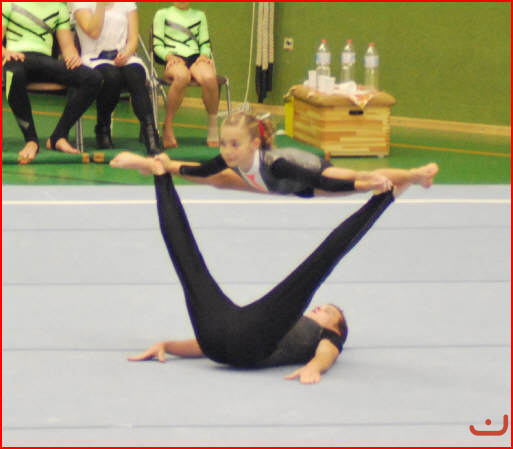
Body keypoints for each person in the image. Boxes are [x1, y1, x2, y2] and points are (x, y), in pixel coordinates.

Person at [111, 155, 401, 383]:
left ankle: (383, 199)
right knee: (188, 263)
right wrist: (168, 345)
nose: (319, 308)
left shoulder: (326, 337)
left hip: (251, 342)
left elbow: (328, 353)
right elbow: (210, 342)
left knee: (318, 264)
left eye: (328, 312)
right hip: (218, 337)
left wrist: (315, 367)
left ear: (335, 328)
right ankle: (160, 174)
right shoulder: (287, 321)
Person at [111, 111, 439, 197]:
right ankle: (153, 164)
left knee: (358, 177)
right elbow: (200, 170)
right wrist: (161, 163)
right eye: (224, 143)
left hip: (305, 179)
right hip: (267, 183)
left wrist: (363, 186)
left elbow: (323, 181)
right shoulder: (229, 159)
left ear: (254, 144)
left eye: (234, 144)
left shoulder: (278, 164)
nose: (226, 150)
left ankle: (415, 175)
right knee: (216, 178)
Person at [2, 2, 103, 164]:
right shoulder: (9, 4)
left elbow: (68, 47)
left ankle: (58, 137)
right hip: (15, 59)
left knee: (93, 78)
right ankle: (31, 140)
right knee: (13, 74)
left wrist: (73, 57)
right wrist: (5, 52)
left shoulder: (59, 8)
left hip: (45, 62)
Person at [70, 2, 160, 154]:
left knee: (136, 74)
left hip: (123, 56)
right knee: (112, 77)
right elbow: (93, 32)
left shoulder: (128, 4)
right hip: (94, 58)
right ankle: (103, 128)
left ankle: (151, 134)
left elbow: (133, 39)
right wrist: (100, 5)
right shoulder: (80, 4)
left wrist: (126, 53)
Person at [152, 2, 219, 149]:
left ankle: (213, 126)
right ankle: (168, 126)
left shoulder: (200, 15)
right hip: (174, 58)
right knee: (182, 77)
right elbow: (157, 45)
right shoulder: (162, 14)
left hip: (195, 58)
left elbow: (205, 44)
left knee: (210, 78)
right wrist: (169, 57)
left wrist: (204, 55)